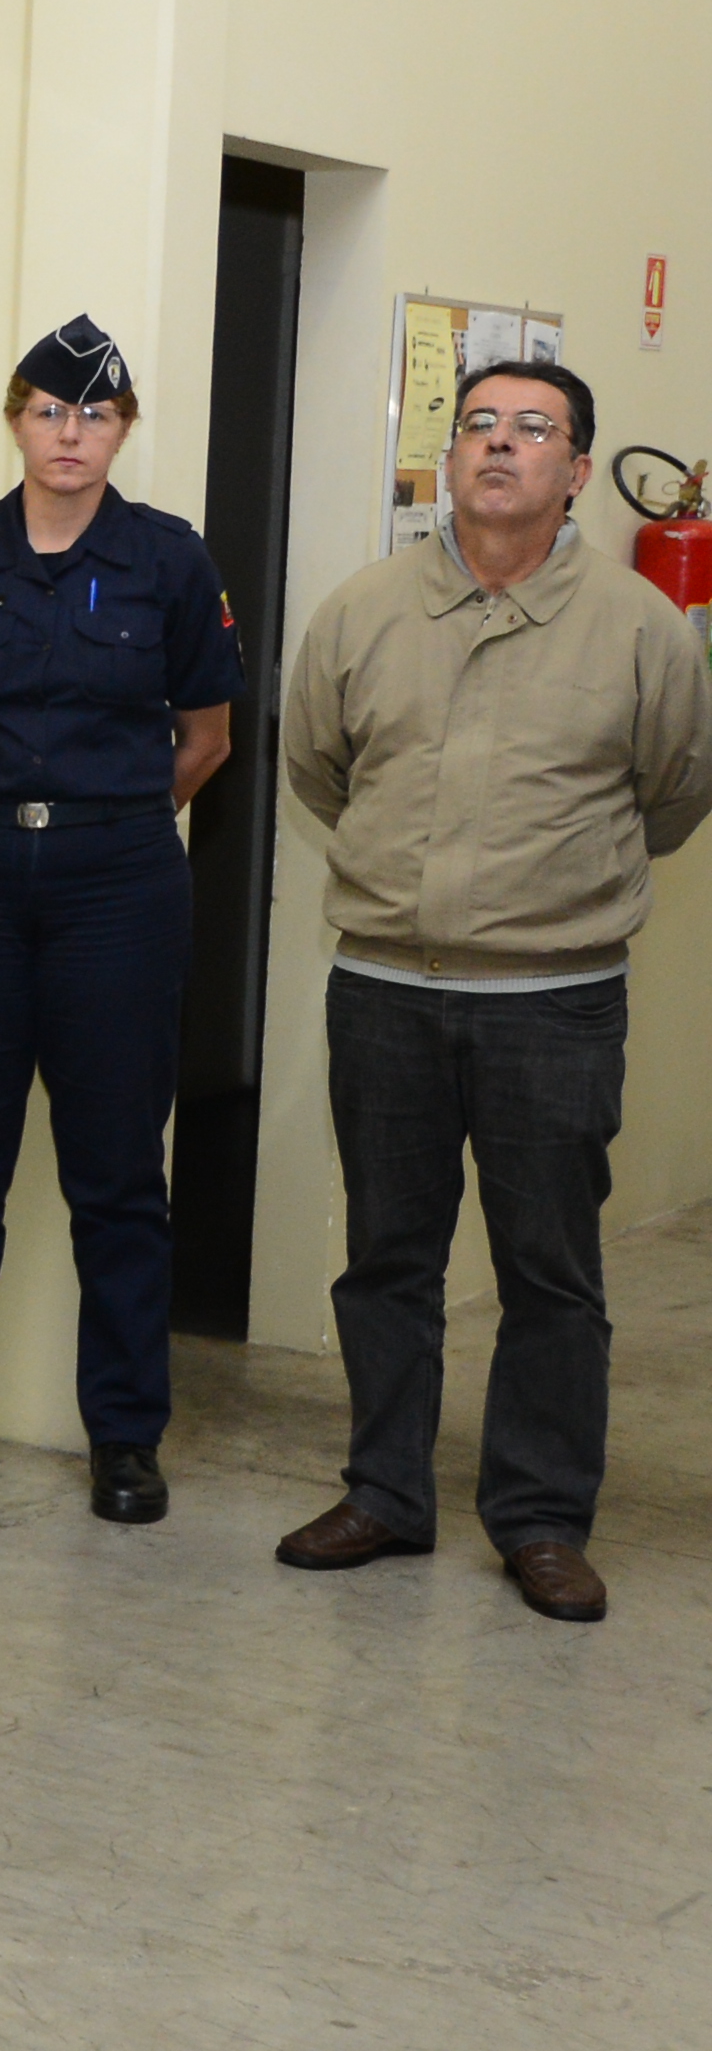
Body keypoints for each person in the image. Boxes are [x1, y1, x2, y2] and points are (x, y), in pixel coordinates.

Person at [272, 356, 712, 1622]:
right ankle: (385, 1493)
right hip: (384, 990)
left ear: (578, 469)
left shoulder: (640, 626)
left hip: (554, 1001)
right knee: (386, 1258)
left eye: (532, 427)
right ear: (451, 456)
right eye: (478, 425)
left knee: (549, 1272)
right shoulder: (363, 611)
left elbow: (676, 788)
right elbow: (319, 769)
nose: (500, 444)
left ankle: (540, 1518)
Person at [0, 315, 241, 1525]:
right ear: (15, 422)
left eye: (93, 414)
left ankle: (124, 1435)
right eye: (46, 411)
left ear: (123, 430)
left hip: (115, 885)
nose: (68, 434)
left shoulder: (169, 558)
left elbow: (207, 737)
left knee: (119, 1176)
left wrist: (103, 815)